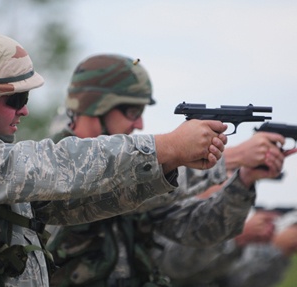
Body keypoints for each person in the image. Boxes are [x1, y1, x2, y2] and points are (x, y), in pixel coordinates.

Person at [0, 31, 229, 287]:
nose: (24, 109)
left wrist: (164, 166)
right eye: (16, 98)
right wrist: (164, 147)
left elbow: (74, 205)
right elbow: (52, 165)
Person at [44, 54, 285, 286]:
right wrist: (232, 158)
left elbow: (199, 229)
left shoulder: (130, 171)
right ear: (97, 106)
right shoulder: (53, 168)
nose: (139, 124)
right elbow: (111, 189)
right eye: (132, 112)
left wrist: (243, 181)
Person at [151, 134, 297, 287]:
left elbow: (235, 279)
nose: (230, 181)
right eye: (229, 173)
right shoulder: (167, 212)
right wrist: (237, 239)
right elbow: (172, 267)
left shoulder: (223, 223)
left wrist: (278, 251)